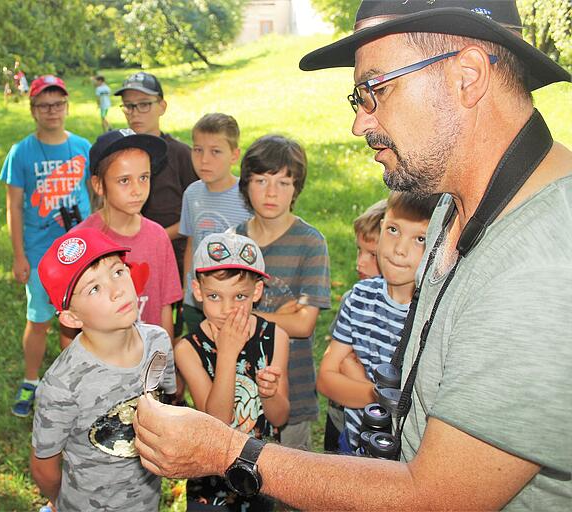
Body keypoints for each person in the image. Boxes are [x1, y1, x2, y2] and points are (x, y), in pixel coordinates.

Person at [133, 1, 572, 509]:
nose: (360, 124)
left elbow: (436, 499)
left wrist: (230, 451)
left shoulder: (543, 267)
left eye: (375, 90)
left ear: (467, 75)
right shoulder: (454, 202)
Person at [30, 228, 176, 511]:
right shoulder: (63, 385)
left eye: (118, 272)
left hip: (148, 500)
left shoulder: (158, 342)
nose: (117, 290)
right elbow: (43, 468)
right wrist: (64, 503)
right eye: (94, 288)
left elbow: (166, 400)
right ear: (71, 318)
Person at [0, 75, 93, 417]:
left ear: (66, 107)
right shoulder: (21, 152)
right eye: (44, 105)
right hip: (41, 255)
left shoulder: (83, 147)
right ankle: (31, 380)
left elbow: (95, 199)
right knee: (39, 319)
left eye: (58, 104)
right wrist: (19, 255)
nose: (51, 111)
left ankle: (78, 380)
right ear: (32, 109)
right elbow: (13, 206)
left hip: (81, 252)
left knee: (82, 318)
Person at [175, 232, 289, 511]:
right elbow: (217, 420)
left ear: (257, 292)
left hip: (262, 472)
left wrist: (270, 393)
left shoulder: (275, 337)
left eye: (240, 296)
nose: (227, 309)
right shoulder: (188, 350)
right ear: (197, 291)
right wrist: (227, 353)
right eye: (214, 296)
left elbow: (280, 417)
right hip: (211, 482)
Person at [232, 135, 330, 452]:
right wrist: (281, 317)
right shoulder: (232, 242)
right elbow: (217, 315)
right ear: (245, 184)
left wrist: (248, 315)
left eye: (284, 183)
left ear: (296, 188)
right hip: (236, 390)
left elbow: (303, 325)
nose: (272, 192)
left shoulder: (310, 243)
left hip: (292, 391)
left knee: (289, 482)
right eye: (261, 180)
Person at [318, 192, 437, 453]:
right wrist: (382, 396)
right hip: (352, 446)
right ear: (382, 225)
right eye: (393, 229)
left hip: (407, 461)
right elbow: (326, 380)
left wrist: (356, 381)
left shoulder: (435, 314)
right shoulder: (359, 297)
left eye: (420, 239)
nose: (400, 248)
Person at [73, 129, 182, 343]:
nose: (137, 190)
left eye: (144, 178)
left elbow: (164, 307)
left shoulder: (158, 236)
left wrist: (165, 361)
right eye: (124, 180)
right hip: (102, 367)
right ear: (98, 185)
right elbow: (70, 328)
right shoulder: (80, 243)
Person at [114, 72, 198, 332]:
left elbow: (197, 214)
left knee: (168, 333)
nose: (135, 112)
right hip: (125, 261)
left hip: (171, 259)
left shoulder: (181, 154)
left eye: (144, 104)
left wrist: (156, 235)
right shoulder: (118, 154)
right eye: (129, 106)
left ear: (162, 106)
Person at [324, 197, 386, 452]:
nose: (360, 262)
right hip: (342, 420)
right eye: (359, 250)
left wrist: (354, 371)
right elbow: (338, 362)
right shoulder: (355, 299)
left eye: (372, 254)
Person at [180, 113, 252, 335]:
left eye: (215, 151)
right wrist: (186, 291)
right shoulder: (192, 193)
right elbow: (191, 244)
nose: (204, 160)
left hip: (231, 302)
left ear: (234, 155)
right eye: (197, 149)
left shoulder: (247, 197)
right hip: (197, 299)